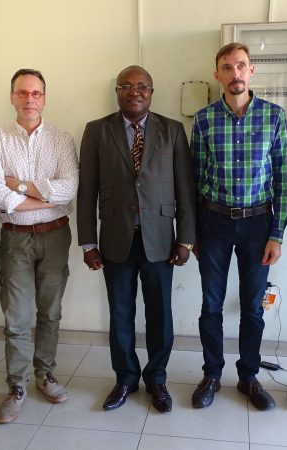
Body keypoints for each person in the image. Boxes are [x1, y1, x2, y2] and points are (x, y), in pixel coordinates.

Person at [77, 65, 195, 413]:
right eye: (126, 86)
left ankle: (156, 378)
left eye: (142, 86)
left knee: (160, 315)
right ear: (117, 91)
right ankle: (126, 377)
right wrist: (88, 242)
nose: (135, 91)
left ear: (152, 91)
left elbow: (185, 189)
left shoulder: (172, 130)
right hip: (114, 239)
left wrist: (186, 240)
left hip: (160, 239)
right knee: (121, 314)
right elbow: (87, 192)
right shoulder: (97, 131)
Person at [190, 43, 287, 411]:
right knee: (211, 305)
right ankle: (212, 375)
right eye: (227, 67)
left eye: (241, 66)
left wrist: (277, 234)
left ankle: (248, 376)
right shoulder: (202, 120)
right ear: (217, 74)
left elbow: (283, 180)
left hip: (258, 224)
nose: (235, 74)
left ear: (251, 71)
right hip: (214, 223)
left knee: (252, 307)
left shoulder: (274, 117)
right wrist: (194, 235)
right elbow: (193, 180)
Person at [0, 69, 78, 424]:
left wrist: (17, 187)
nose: (29, 99)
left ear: (45, 98)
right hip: (15, 239)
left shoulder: (62, 139)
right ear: (12, 97)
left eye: (36, 93)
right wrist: (44, 197)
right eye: (22, 93)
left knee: (50, 312)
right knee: (17, 318)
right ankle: (16, 385)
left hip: (55, 237)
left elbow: (68, 189)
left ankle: (45, 374)